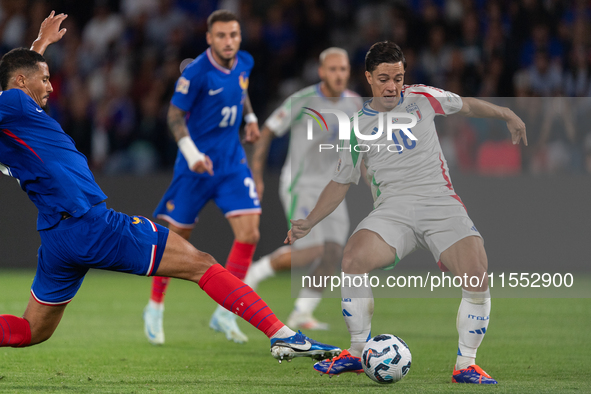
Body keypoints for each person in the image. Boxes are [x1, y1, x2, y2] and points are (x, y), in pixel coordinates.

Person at [0, 11, 340, 365]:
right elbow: (12, 85)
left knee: (32, 330)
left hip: (58, 237)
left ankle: (279, 335)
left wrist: (39, 45)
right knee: (201, 263)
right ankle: (283, 335)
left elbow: (17, 73)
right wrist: (34, 54)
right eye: (45, 79)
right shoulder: (13, 102)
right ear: (23, 82)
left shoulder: (17, 116)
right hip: (91, 225)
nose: (51, 87)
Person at [288, 41, 527, 384]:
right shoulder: (355, 127)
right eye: (384, 78)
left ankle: (466, 365)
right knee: (353, 258)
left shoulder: (422, 98)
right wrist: (309, 222)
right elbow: (340, 182)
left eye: (398, 78)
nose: (392, 86)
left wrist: (507, 113)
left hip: (439, 202)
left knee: (477, 273)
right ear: (368, 77)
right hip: (392, 209)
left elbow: (467, 106)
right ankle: (357, 352)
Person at [144, 10, 262, 345]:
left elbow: (242, 89)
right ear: (209, 38)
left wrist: (250, 117)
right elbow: (174, 115)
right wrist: (193, 156)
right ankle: (154, 306)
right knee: (176, 239)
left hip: (231, 163)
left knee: (250, 232)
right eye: (222, 36)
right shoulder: (196, 72)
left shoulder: (245, 62)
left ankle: (225, 313)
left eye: (234, 35)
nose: (229, 41)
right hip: (195, 166)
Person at [244, 47, 362, 330]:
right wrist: (256, 175)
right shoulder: (303, 100)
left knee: (334, 253)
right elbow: (268, 130)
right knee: (313, 250)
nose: (338, 74)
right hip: (301, 185)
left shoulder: (356, 103)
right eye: (332, 69)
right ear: (321, 72)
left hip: (333, 188)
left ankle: (301, 313)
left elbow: (361, 149)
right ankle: (252, 274)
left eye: (343, 69)